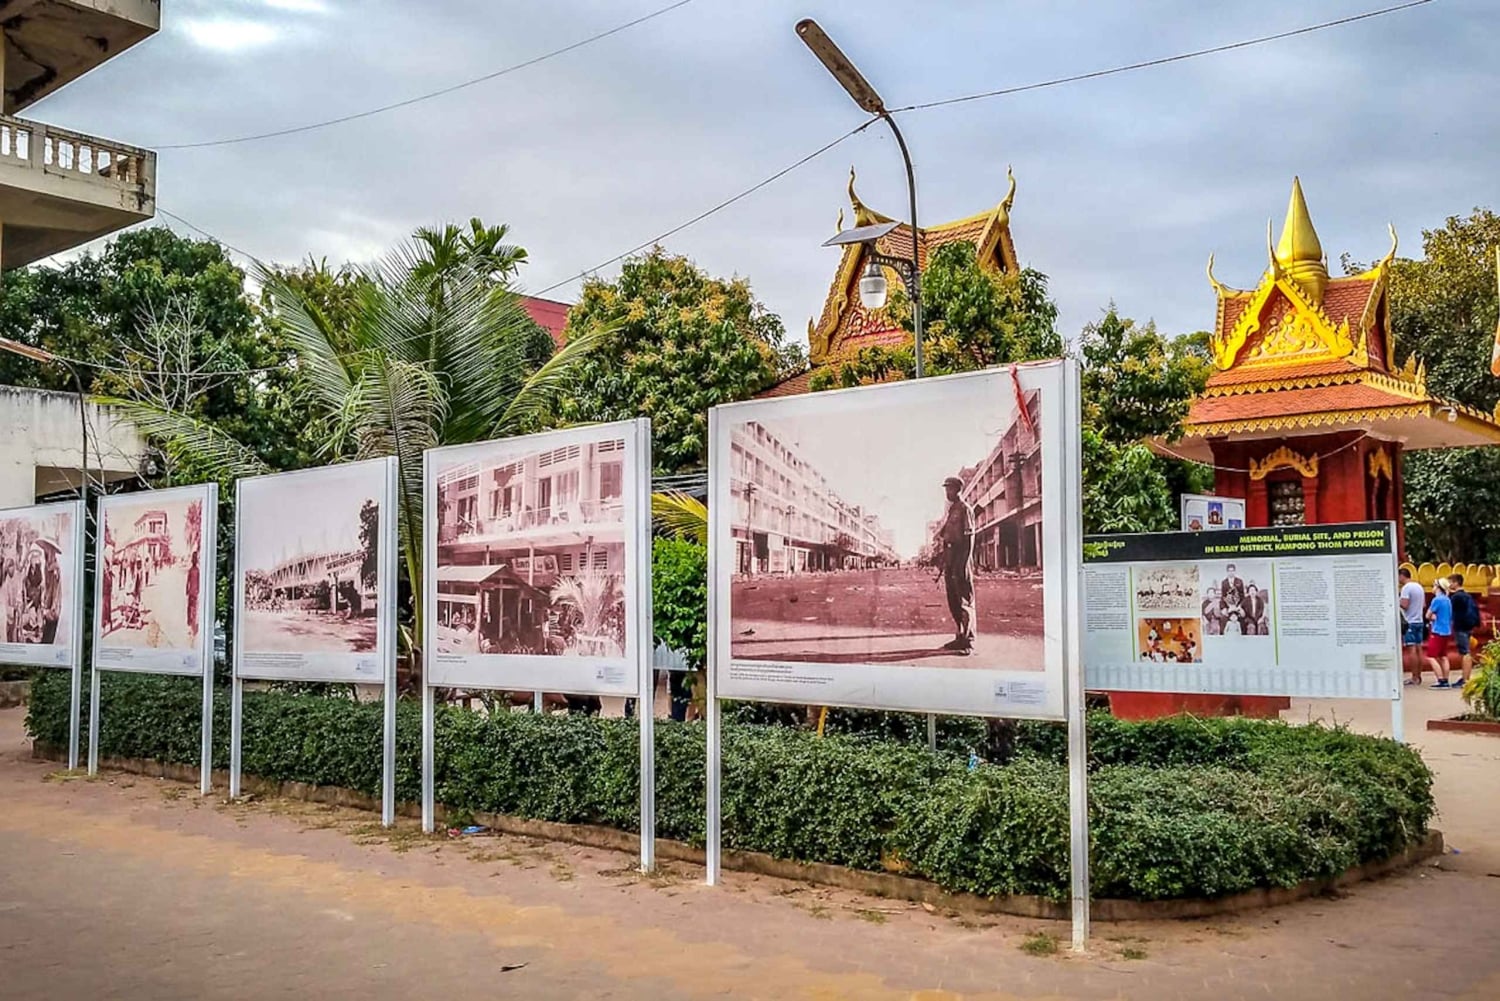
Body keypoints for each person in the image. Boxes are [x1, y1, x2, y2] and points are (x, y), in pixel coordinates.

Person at [936, 476, 975, 654]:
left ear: (958, 489)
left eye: (949, 488)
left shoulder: (965, 509)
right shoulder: (952, 510)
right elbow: (946, 538)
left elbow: (969, 538)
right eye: (946, 489)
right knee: (953, 600)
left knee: (964, 601)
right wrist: (944, 560)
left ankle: (968, 641)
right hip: (951, 558)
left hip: (961, 558)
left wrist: (963, 563)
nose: (946, 492)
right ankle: (959, 636)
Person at [1448, 573, 1481, 687]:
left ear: (1456, 583)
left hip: (1461, 626)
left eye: (1451, 582)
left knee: (1465, 652)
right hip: (1468, 626)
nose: (1449, 584)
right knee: (1466, 651)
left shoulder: (1456, 597)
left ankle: (1465, 679)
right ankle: (1465, 676)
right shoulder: (1467, 595)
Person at [1398, 567, 1426, 684]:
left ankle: (1414, 677)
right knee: (1419, 648)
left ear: (1402, 576)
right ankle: (1418, 675)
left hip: (1409, 621)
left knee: (1411, 650)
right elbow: (1424, 605)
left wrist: (1396, 600)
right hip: (1419, 620)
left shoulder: (1406, 588)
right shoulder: (1419, 587)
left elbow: (1405, 605)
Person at [1425, 577, 1454, 688]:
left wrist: (1432, 616)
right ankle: (1446, 679)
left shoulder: (1437, 600)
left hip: (1437, 630)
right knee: (1443, 656)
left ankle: (1440, 679)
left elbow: (1428, 615)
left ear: (1438, 587)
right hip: (1446, 630)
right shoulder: (1447, 600)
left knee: (1431, 656)